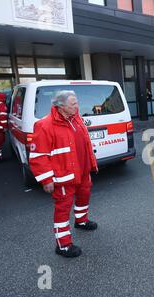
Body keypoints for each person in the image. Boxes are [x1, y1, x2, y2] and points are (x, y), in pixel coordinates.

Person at [29, 91, 98, 258]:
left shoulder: (76, 118)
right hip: (64, 176)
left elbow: (85, 144)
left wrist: (90, 165)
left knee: (84, 197)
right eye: (72, 104)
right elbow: (38, 155)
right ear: (60, 107)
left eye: (76, 103)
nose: (77, 106)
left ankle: (81, 220)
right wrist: (46, 179)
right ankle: (63, 245)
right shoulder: (45, 125)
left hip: (82, 171)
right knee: (62, 209)